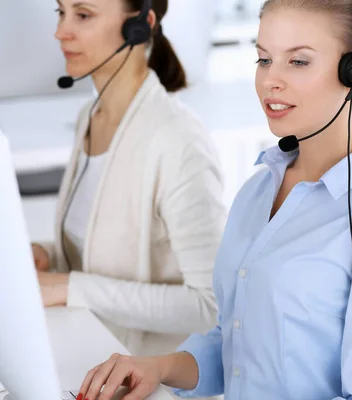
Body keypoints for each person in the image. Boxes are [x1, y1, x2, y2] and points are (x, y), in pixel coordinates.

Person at [76, 0, 352, 399]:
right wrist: (156, 367)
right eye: (264, 59)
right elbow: (236, 346)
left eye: (298, 62)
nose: (271, 80)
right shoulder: (257, 191)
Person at [33, 0, 227, 357]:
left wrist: (70, 287)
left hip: (155, 378)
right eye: (60, 12)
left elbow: (210, 307)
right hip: (91, 350)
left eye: (84, 14)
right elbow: (103, 249)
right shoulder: (90, 117)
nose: (61, 31)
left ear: (141, 23)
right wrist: (47, 255)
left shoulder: (179, 142)